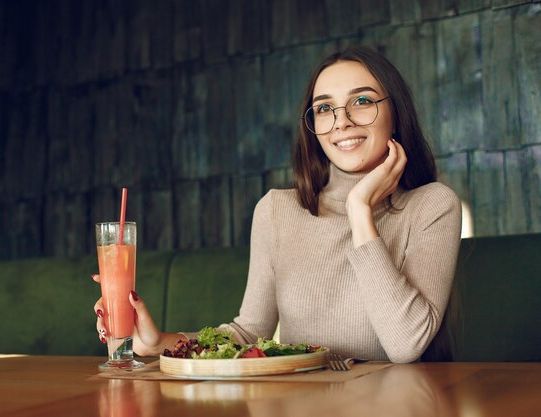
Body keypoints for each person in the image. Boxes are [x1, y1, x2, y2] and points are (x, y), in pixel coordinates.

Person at [93, 45, 462, 363]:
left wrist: (360, 210)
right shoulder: (276, 210)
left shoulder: (432, 206)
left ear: (395, 112)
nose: (342, 122)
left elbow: (405, 344)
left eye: (362, 101)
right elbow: (248, 333)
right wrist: (160, 342)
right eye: (324, 109)